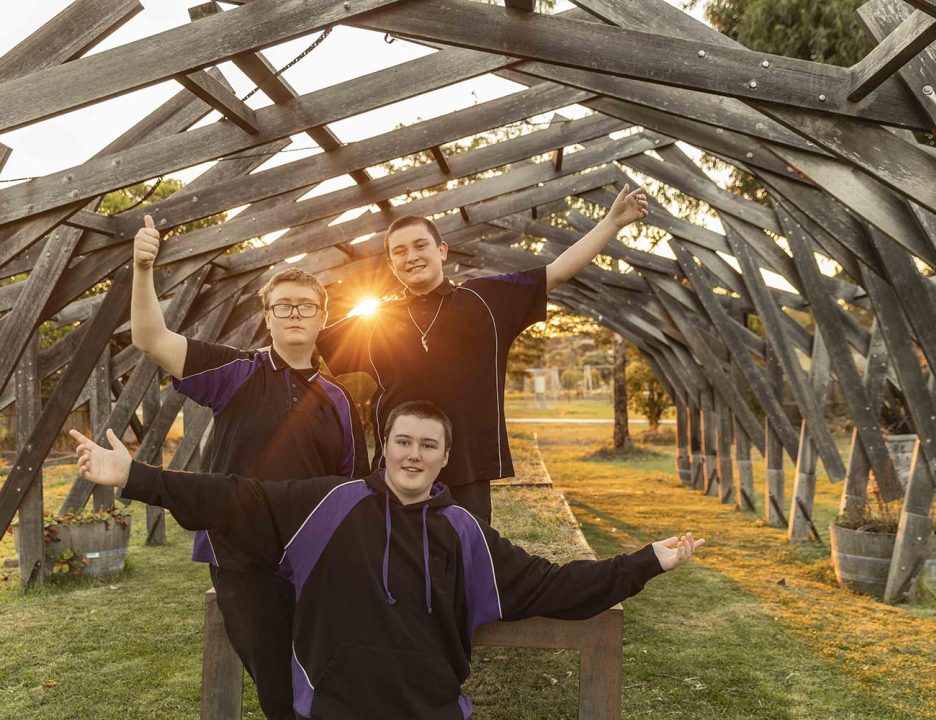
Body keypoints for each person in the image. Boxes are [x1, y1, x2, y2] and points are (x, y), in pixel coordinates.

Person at [70, 400, 704, 720]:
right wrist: (136, 476)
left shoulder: (466, 534)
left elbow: (557, 587)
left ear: (444, 457)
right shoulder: (329, 505)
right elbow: (236, 498)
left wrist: (648, 561)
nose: (414, 454)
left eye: (428, 445)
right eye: (403, 440)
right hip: (333, 710)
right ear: (386, 448)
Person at [131, 214, 369, 720]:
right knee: (279, 691)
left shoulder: (338, 400)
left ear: (323, 318)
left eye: (306, 306)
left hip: (314, 555)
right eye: (283, 305)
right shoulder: (234, 372)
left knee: (328, 676)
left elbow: (352, 489)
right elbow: (151, 337)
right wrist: (142, 266)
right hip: (243, 556)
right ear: (268, 316)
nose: (295, 314)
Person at [316, 184, 649, 521]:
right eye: (399, 251)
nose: (411, 256)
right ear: (391, 265)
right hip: (398, 469)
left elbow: (558, 271)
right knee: (396, 565)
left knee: (465, 562)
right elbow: (308, 342)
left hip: (468, 468)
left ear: (442, 250)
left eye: (420, 245)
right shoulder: (375, 320)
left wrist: (612, 222)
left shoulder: (485, 300)